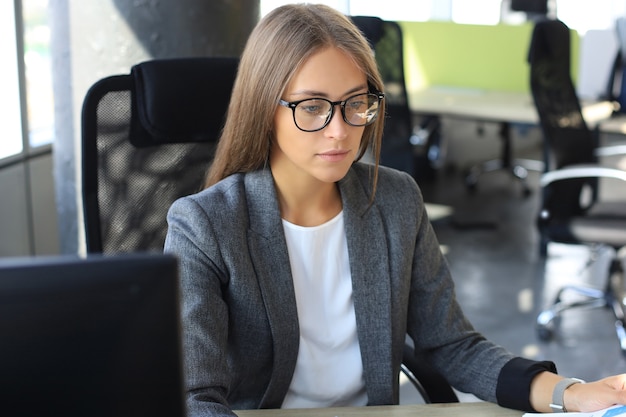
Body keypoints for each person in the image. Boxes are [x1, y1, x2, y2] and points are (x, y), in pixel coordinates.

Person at [164, 3, 626, 417]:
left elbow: (452, 345)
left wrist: (571, 392)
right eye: (313, 107)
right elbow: (195, 398)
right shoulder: (206, 225)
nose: (340, 131)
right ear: (266, 108)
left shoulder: (395, 200)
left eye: (356, 104)